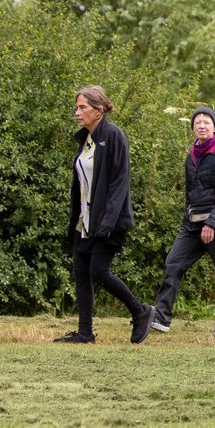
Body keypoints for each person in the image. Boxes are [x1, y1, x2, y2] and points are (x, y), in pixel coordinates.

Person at [56, 85, 154, 344]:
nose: (77, 112)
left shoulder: (113, 136)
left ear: (98, 110)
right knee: (81, 272)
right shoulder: (86, 139)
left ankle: (141, 311)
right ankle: (85, 332)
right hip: (84, 222)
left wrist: (108, 223)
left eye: (82, 107)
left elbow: (119, 183)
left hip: (107, 222)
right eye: (76, 107)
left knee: (99, 272)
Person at [150, 106, 215, 338]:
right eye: (197, 122)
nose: (201, 125)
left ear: (214, 127)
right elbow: (190, 194)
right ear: (193, 127)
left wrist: (212, 224)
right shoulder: (192, 155)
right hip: (192, 224)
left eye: (206, 122)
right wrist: (188, 220)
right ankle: (160, 318)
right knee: (173, 263)